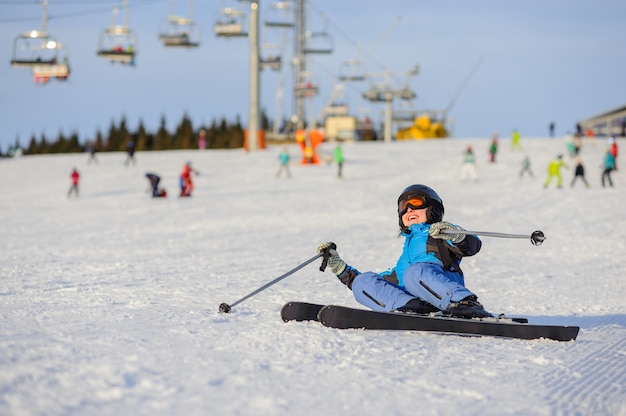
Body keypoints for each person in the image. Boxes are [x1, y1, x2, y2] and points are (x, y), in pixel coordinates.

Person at [317, 184, 492, 319]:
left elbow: (472, 246)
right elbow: (388, 282)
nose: (409, 209)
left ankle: (464, 303)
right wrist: (342, 270)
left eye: (415, 203)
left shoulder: (440, 232)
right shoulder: (407, 252)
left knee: (414, 273)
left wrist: (456, 235)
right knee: (364, 281)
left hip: (442, 285)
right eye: (403, 206)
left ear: (432, 209)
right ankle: (410, 307)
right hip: (412, 291)